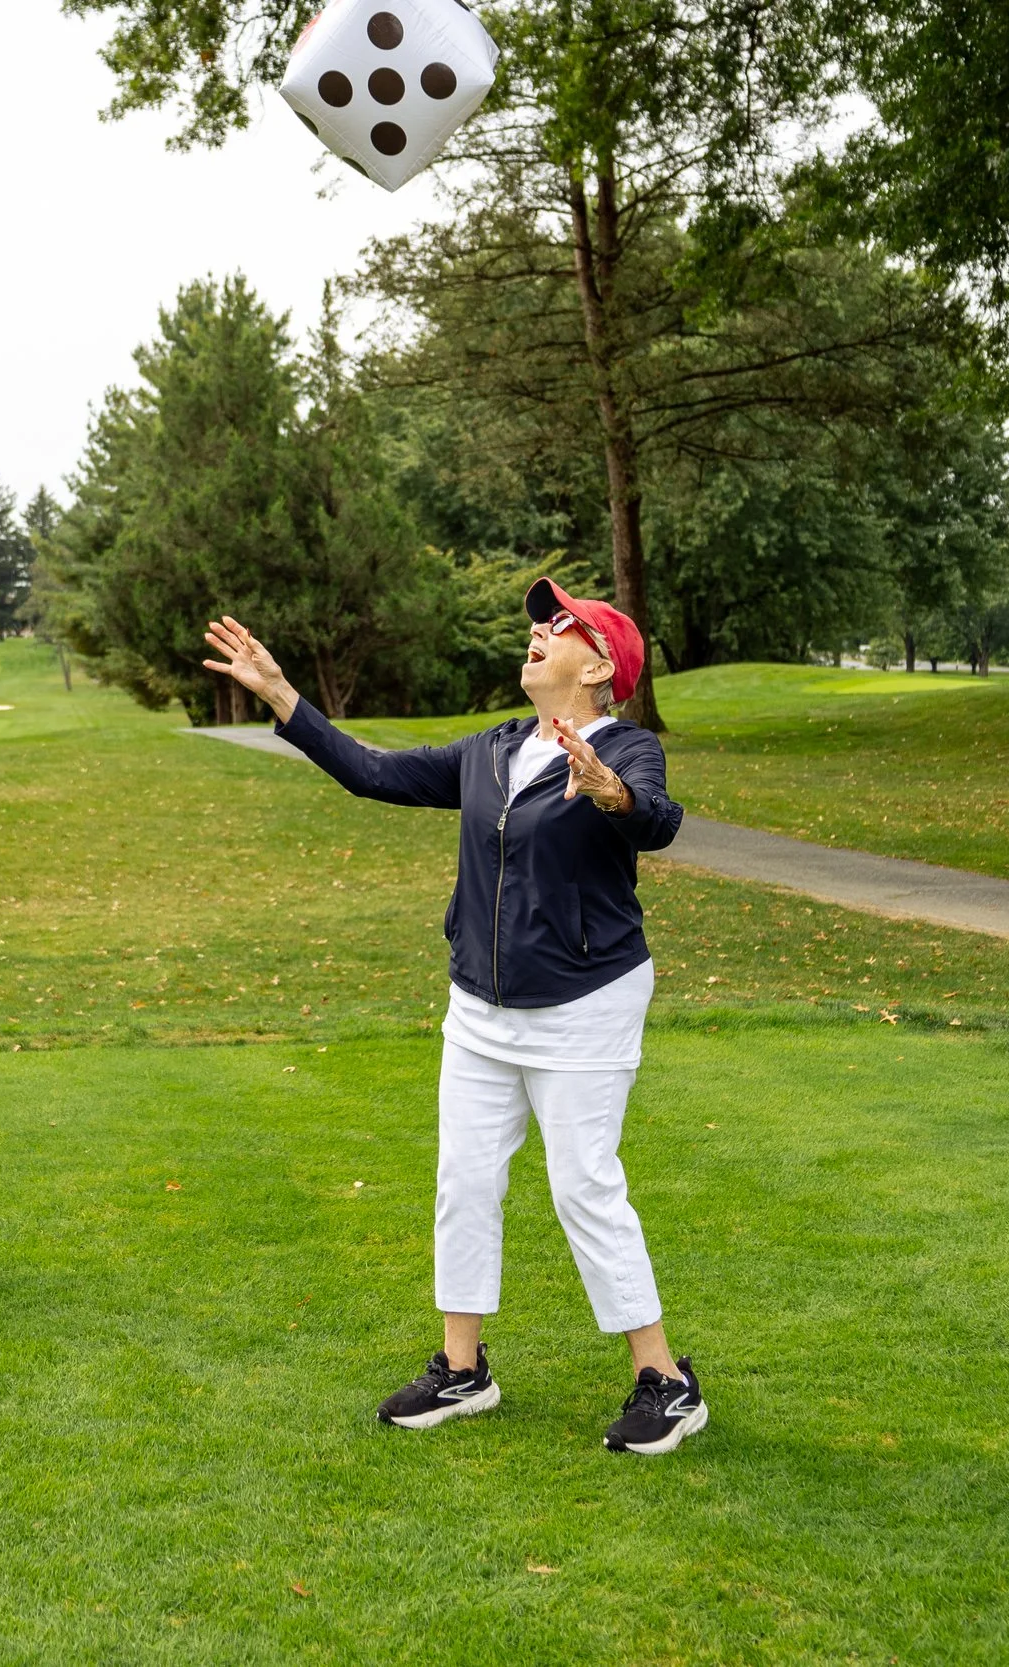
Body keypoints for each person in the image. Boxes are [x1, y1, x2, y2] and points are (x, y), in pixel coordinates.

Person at [202, 580, 706, 1455]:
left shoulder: (628, 746)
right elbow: (372, 772)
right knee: (465, 1178)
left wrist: (611, 792)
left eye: (562, 626)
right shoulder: (495, 748)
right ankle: (462, 1368)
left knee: (583, 1182)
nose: (540, 633)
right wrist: (284, 696)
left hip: (585, 1003)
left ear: (597, 667)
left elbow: (658, 822)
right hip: (479, 1005)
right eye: (539, 624)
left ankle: (665, 1381)